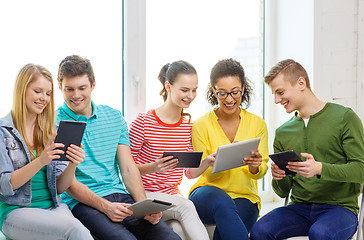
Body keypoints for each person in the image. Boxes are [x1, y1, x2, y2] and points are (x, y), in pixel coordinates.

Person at [56, 55, 181, 240]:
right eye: (69, 89)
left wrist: (144, 206)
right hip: (82, 203)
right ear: (60, 88)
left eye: (82, 88)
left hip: (121, 196)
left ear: (93, 85)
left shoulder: (114, 117)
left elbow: (129, 169)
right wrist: (105, 207)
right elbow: (68, 183)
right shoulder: (54, 124)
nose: (76, 95)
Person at [250, 59, 364, 240]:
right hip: (299, 208)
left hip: (339, 209)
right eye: (274, 94)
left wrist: (320, 169)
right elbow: (281, 192)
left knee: (320, 234)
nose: (276, 100)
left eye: (280, 92)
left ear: (301, 83)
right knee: (259, 231)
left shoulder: (345, 118)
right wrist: (279, 176)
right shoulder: (283, 132)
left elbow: (360, 170)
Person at [0, 64, 92, 240]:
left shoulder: (52, 132)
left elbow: (59, 188)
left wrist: (73, 163)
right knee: (74, 230)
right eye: (38, 91)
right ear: (22, 90)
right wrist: (41, 160)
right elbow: (5, 186)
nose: (44, 98)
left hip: (53, 206)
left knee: (80, 231)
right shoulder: (3, 131)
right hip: (16, 212)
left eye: (48, 93)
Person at [187, 58, 269, 240]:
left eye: (235, 92)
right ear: (214, 91)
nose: (229, 99)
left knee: (225, 231)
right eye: (222, 93)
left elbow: (260, 171)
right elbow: (208, 175)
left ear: (243, 89)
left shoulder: (257, 124)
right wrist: (218, 161)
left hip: (245, 197)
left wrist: (254, 166)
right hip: (207, 193)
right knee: (222, 203)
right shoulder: (201, 124)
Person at [128, 60, 210, 240]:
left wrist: (206, 163)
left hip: (171, 196)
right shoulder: (143, 122)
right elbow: (126, 169)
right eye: (185, 89)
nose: (190, 95)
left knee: (178, 231)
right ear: (168, 86)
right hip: (143, 196)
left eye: (194, 90)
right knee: (187, 206)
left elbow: (189, 173)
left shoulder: (188, 126)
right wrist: (153, 167)